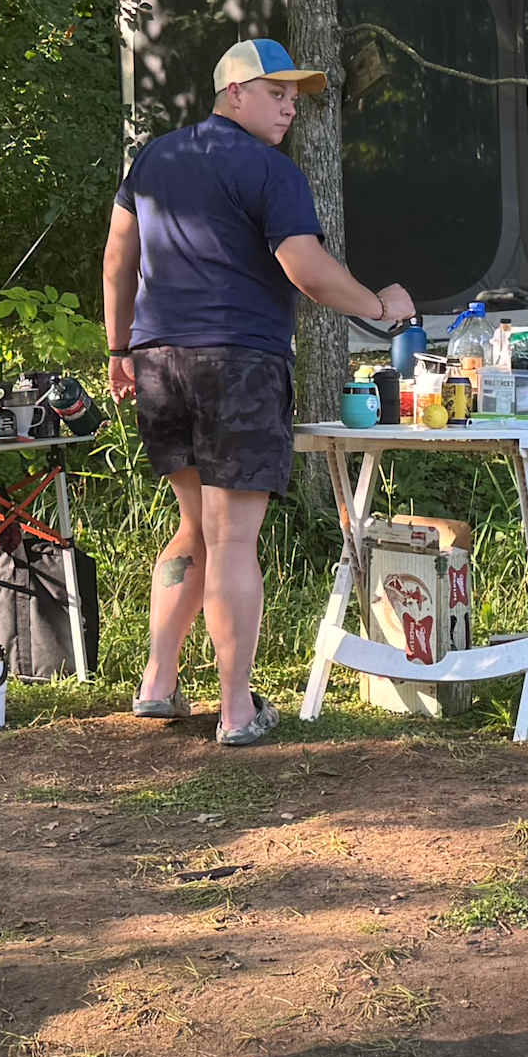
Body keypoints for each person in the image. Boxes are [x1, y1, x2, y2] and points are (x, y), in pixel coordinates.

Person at [102, 38, 418, 745]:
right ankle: (237, 710)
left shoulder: (155, 158)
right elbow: (304, 268)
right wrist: (378, 304)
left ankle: (157, 683)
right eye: (276, 93)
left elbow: (119, 256)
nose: (288, 108)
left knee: (194, 529)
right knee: (232, 538)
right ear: (233, 92)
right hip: (238, 362)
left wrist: (120, 348)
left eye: (295, 98)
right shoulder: (273, 172)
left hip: (160, 361)